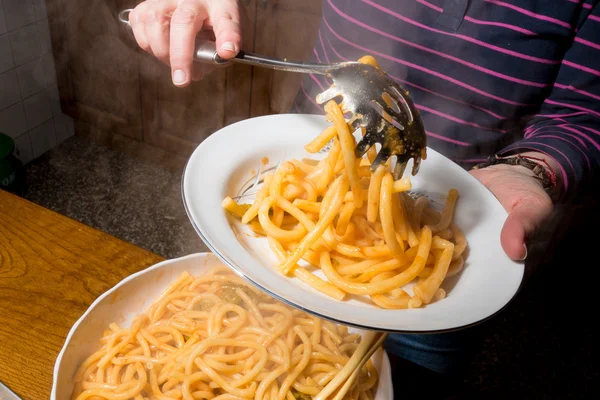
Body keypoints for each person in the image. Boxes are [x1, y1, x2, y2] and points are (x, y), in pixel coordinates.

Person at [128, 0, 600, 397]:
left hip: (456, 223)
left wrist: (533, 167)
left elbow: (584, 113)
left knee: (400, 383)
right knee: (243, 355)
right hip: (293, 189)